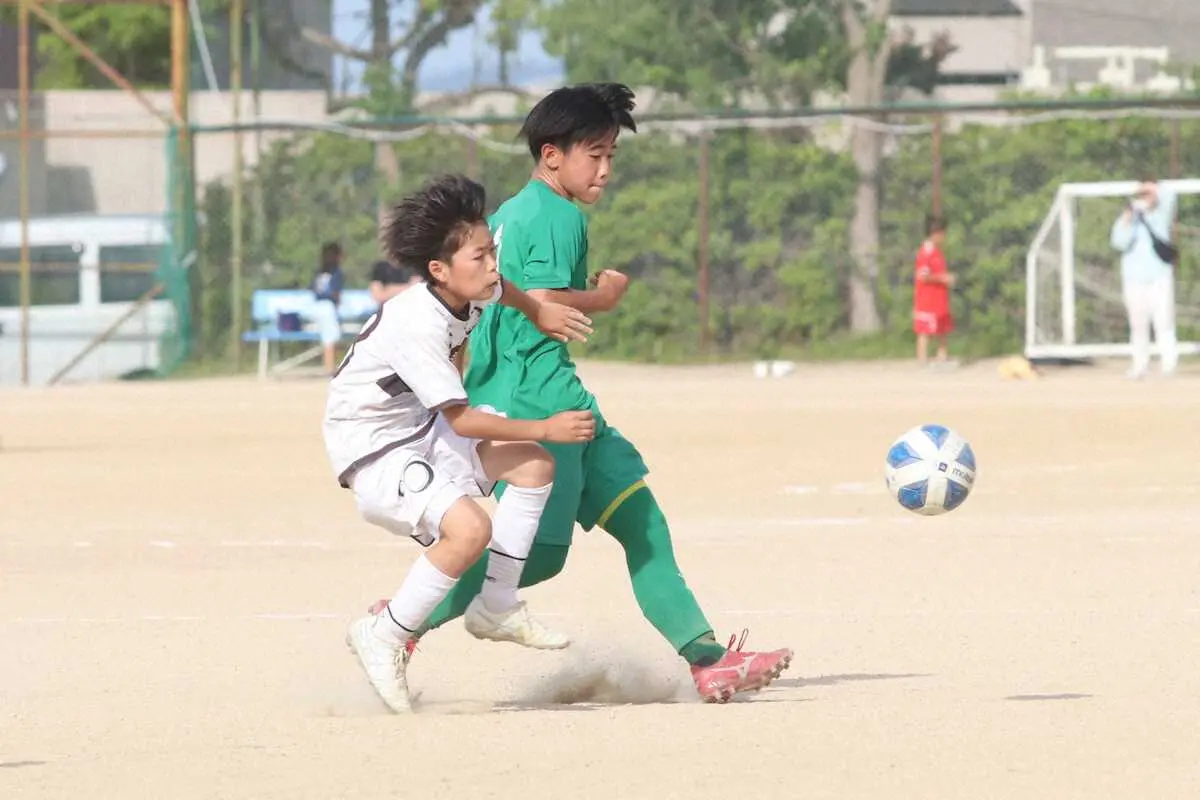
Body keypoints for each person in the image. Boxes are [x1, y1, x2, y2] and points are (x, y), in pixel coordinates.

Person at [370, 83, 793, 704]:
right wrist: (603, 298)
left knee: (643, 521)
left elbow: (501, 293)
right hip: (538, 402)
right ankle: (398, 622)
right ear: (551, 156)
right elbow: (539, 301)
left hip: (557, 393)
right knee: (536, 559)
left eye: (611, 155)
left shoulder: (512, 214)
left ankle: (707, 660)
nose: (604, 168)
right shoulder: (557, 215)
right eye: (593, 153)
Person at [327, 174, 596, 713]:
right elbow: (466, 420)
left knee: (534, 468)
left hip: (417, 427)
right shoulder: (417, 323)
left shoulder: (471, 284)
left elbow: (505, 291)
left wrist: (536, 309)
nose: (493, 264)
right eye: (480, 255)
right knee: (471, 528)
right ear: (439, 270)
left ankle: (495, 605)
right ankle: (384, 635)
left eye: (491, 250)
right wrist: (547, 425)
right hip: (374, 446)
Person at [1110, 178, 1178, 379]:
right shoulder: (1127, 219)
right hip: (1133, 278)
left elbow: (1170, 195)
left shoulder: (1160, 215)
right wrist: (1128, 219)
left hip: (1159, 276)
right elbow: (1118, 243)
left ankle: (1168, 364)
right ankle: (1140, 365)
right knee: (1138, 323)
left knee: (1163, 321)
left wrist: (1151, 189)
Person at [913, 214, 956, 367]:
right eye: (943, 234)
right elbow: (923, 276)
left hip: (939, 298)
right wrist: (942, 278)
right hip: (927, 299)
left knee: (943, 328)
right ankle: (922, 359)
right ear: (936, 234)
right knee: (924, 330)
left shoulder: (938, 252)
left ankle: (942, 356)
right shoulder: (926, 252)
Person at [311, 242, 346, 376]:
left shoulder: (320, 271)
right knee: (331, 337)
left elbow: (313, 288)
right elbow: (335, 292)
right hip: (327, 306)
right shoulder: (336, 271)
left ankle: (329, 365)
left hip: (317, 305)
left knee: (329, 336)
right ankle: (329, 368)